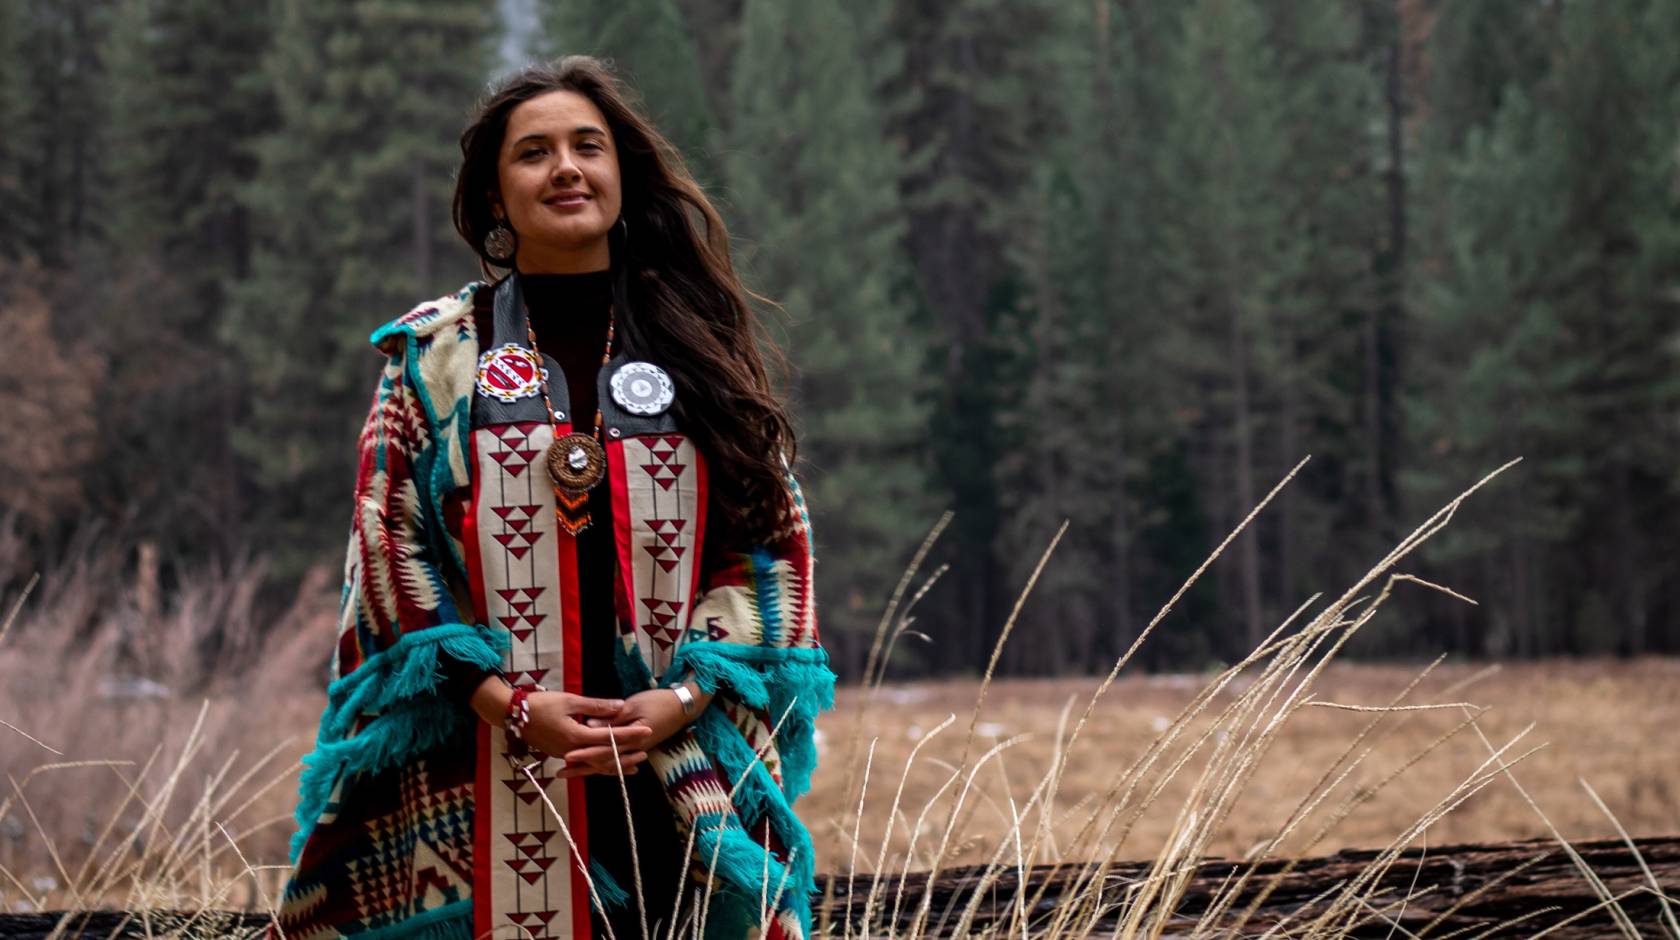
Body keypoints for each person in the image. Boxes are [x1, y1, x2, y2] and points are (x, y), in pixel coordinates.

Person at [270, 56, 834, 940]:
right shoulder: (434, 360)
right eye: (534, 153)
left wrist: (681, 698)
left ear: (620, 173)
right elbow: (388, 548)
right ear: (496, 198)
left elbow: (768, 548)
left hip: (673, 764)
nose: (566, 167)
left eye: (588, 146)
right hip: (485, 763)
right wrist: (509, 703)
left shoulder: (695, 346)